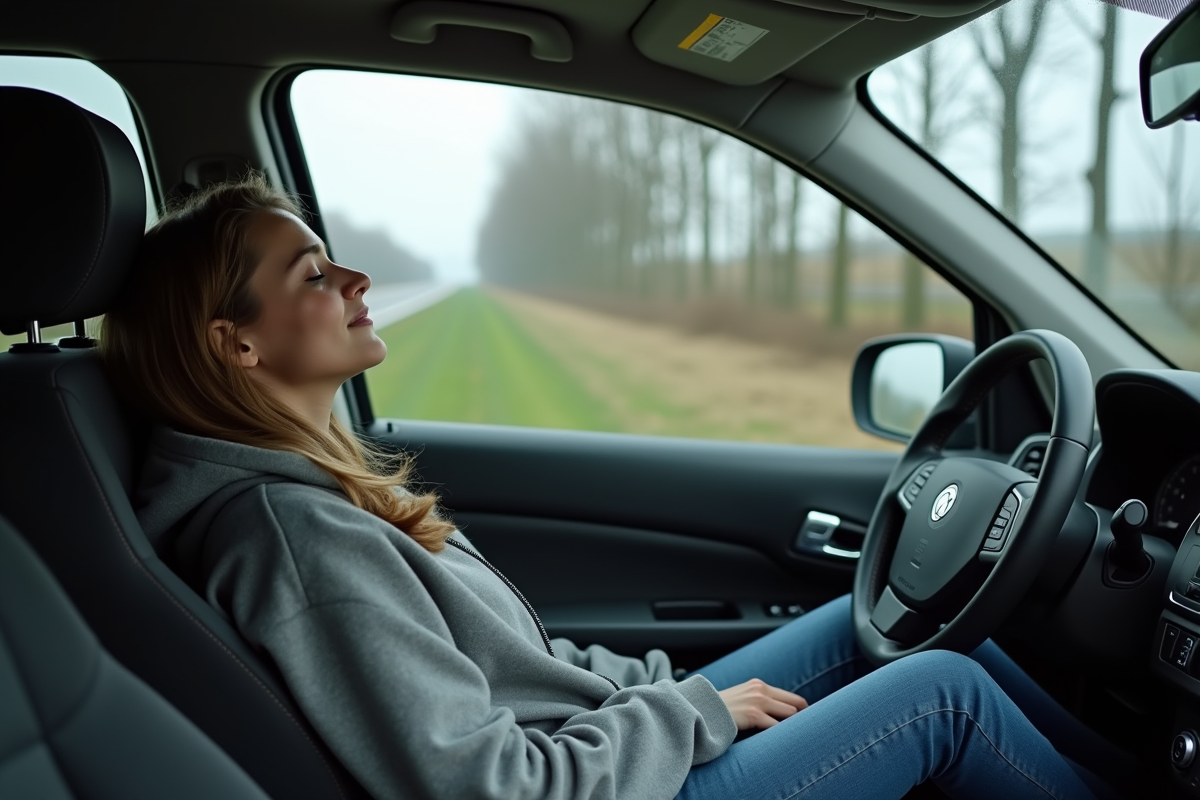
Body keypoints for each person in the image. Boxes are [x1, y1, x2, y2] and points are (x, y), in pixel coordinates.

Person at [103, 175, 1128, 800]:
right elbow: (487, 786)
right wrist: (689, 712)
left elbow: (524, 671)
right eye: (314, 274)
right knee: (936, 691)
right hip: (597, 784)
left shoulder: (313, 488)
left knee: (899, 627)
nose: (355, 281)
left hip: (600, 756)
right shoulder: (293, 536)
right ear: (236, 343)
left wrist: (666, 695)